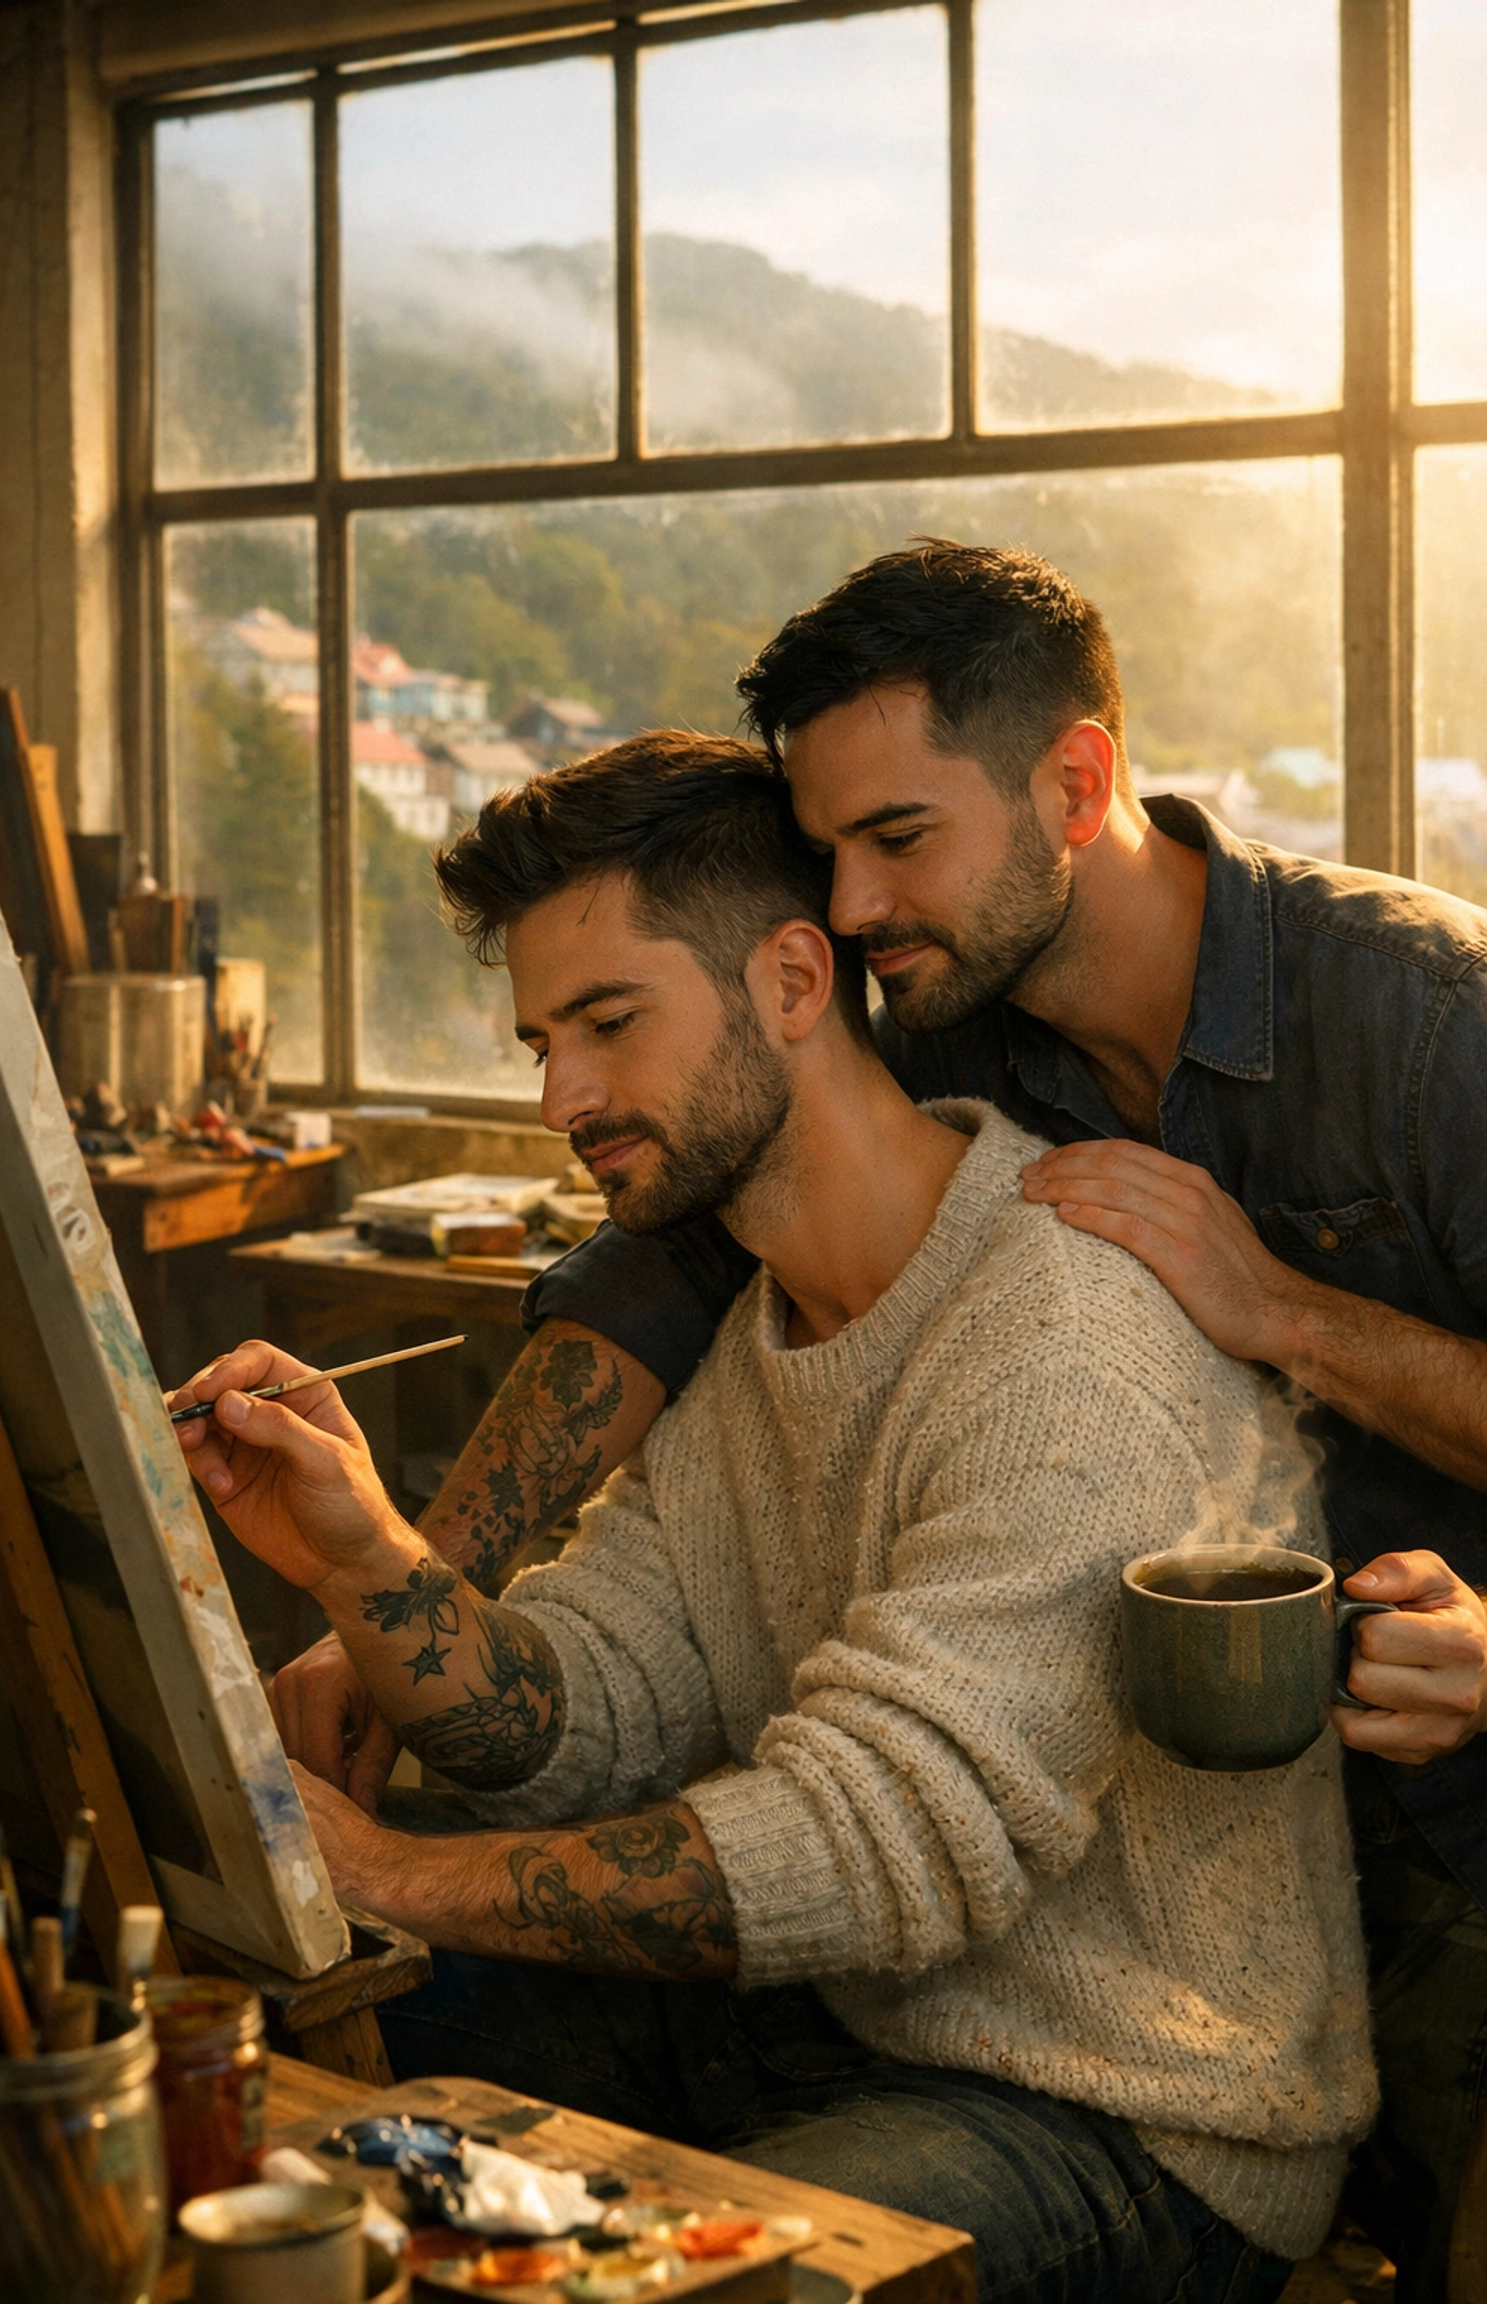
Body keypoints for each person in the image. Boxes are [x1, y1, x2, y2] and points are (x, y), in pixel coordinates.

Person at [269, 544, 1487, 2294]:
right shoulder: (926, 1016)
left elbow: (894, 1826)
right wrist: (372, 1559)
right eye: (826, 853)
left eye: (896, 839)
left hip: (1212, 2000)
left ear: (1077, 785)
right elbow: (658, 1289)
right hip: (966, 1946)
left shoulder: (1420, 1025)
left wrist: (1281, 1310)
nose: (848, 909)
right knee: (295, 2055)